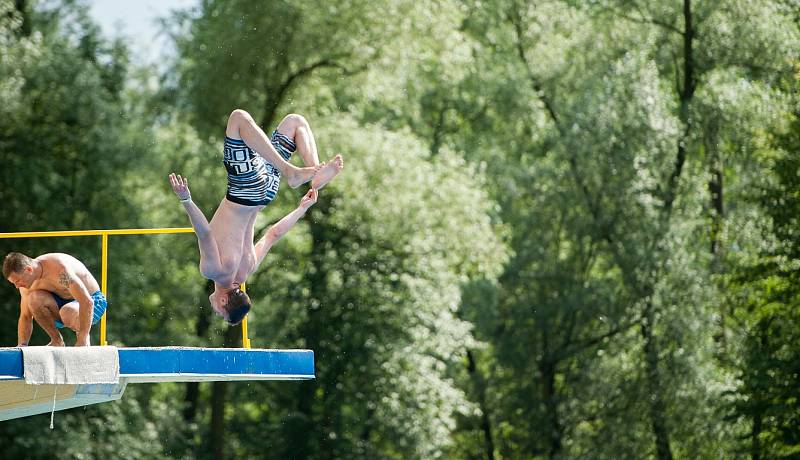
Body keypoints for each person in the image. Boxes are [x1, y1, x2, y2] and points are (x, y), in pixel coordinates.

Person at [169, 109, 343, 325]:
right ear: (224, 300)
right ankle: (294, 173)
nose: (214, 310)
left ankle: (315, 174)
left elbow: (273, 234)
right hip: (245, 190)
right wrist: (186, 200)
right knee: (238, 119)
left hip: (265, 193)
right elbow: (203, 233)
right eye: (218, 312)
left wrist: (302, 208)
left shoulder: (248, 268)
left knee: (295, 122)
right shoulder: (213, 271)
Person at [3, 252, 108, 347]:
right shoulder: (26, 286)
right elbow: (25, 317)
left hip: (93, 301)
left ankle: (83, 334)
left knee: (67, 311)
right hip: (63, 307)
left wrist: (83, 339)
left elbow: (87, 301)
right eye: (14, 283)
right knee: (33, 299)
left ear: (29, 269)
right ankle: (56, 340)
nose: (17, 286)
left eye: (18, 281)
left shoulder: (59, 269)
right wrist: (22, 344)